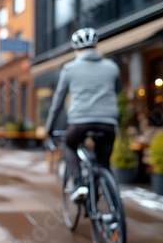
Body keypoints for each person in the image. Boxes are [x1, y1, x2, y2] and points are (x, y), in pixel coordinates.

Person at [46, 27, 121, 203]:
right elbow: (118, 90)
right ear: (96, 46)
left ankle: (80, 183)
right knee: (104, 164)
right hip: (108, 123)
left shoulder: (69, 68)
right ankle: (110, 202)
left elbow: (58, 101)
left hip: (79, 122)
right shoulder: (112, 67)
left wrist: (49, 127)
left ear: (76, 49)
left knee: (69, 144)